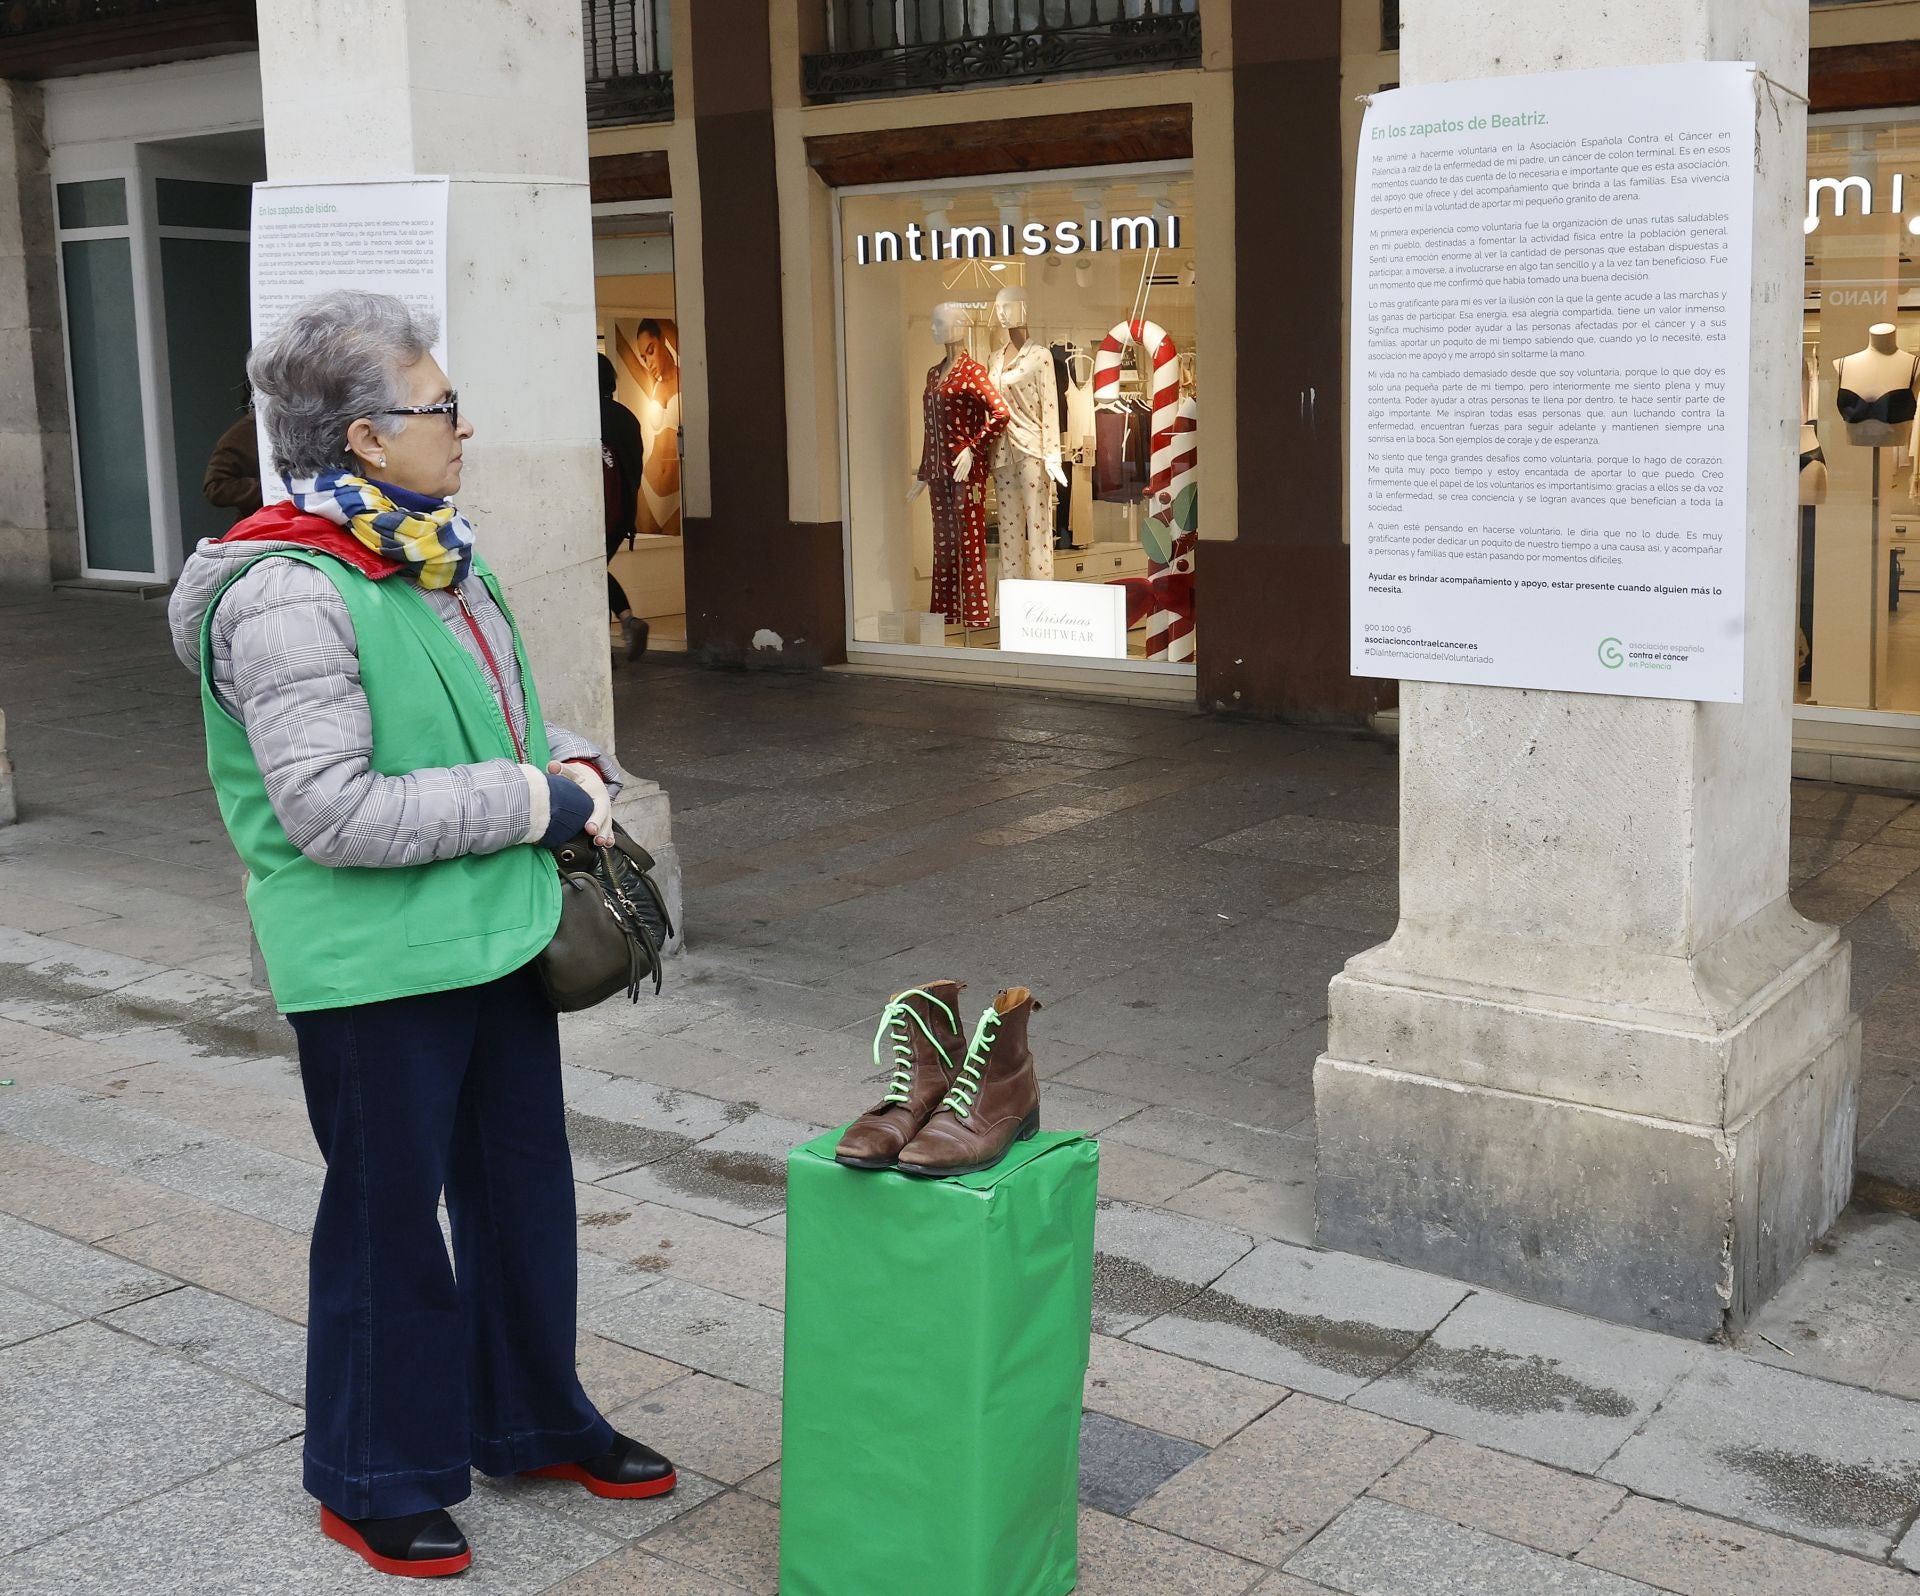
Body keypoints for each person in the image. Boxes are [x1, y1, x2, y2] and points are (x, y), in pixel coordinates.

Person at [166, 290, 676, 1580]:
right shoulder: (284, 591)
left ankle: (529, 1414)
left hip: (490, 929)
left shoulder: (439, 550)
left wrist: (566, 757)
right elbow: (330, 810)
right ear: (361, 437)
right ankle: (372, 1474)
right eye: (438, 405)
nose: (462, 425)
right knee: (390, 1217)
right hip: (372, 962)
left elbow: (495, 721)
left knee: (520, 1192)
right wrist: (538, 800)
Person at [598, 352, 648, 661]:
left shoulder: (588, 415)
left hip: (596, 512)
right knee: (595, 571)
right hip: (622, 513)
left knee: (589, 574)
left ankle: (607, 646)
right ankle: (627, 619)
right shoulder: (627, 417)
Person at [202, 408, 263, 520]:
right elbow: (216, 486)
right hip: (261, 525)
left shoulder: (299, 422)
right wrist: (268, 488)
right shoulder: (247, 429)